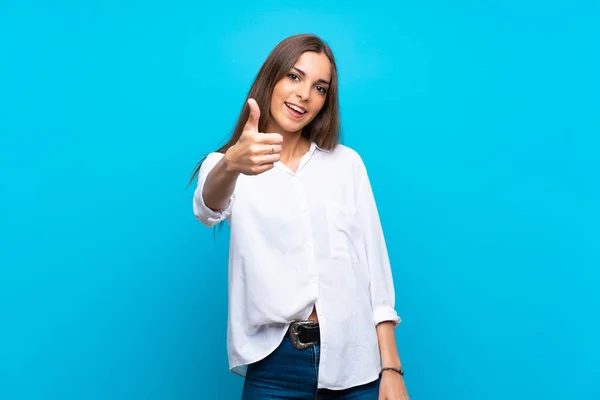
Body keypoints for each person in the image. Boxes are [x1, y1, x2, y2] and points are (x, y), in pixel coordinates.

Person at [191, 33, 409, 400]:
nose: (304, 94)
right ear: (271, 79)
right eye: (294, 77)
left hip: (355, 365)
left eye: (319, 87)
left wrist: (391, 369)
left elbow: (375, 272)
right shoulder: (228, 166)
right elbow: (208, 208)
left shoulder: (347, 164)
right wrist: (231, 164)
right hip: (274, 366)